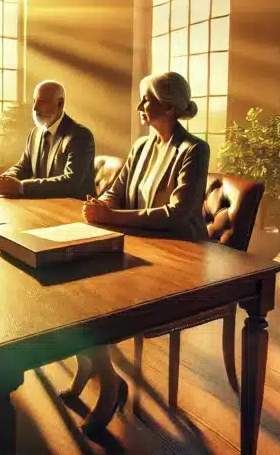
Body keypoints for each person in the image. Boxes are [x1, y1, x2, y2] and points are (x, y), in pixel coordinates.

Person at [66, 70, 210, 434]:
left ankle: (107, 382)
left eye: (147, 98)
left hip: (181, 258)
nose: (140, 105)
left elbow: (177, 215)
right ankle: (98, 368)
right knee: (75, 286)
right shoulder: (142, 146)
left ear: (171, 105)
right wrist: (101, 205)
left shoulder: (194, 149)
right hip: (138, 245)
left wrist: (112, 216)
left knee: (97, 297)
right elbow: (118, 189)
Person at [0, 80, 96, 199]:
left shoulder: (80, 136)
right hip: (44, 205)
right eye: (34, 101)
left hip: (75, 210)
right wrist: (7, 178)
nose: (35, 108)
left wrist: (21, 187)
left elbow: (70, 183)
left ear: (60, 103)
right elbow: (23, 166)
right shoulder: (35, 133)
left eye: (42, 102)